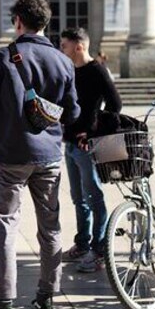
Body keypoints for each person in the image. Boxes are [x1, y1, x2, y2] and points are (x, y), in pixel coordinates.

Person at [0, 0, 80, 309]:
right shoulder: (64, 61)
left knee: (6, 225)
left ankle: (3, 304)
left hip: (11, 154)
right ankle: (46, 299)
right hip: (49, 155)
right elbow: (73, 111)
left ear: (17, 21)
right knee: (50, 228)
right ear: (45, 23)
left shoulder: (4, 57)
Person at [59, 28, 122, 273]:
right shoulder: (70, 71)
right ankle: (82, 243)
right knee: (78, 198)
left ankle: (99, 250)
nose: (61, 49)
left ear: (79, 47)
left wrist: (95, 132)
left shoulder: (97, 70)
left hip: (87, 145)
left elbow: (115, 104)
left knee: (94, 196)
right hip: (70, 142)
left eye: (65, 45)